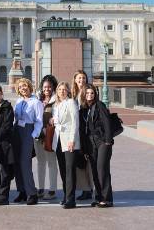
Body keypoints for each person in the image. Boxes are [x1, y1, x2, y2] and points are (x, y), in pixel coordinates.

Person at [81, 85, 114, 208]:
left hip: (102, 142)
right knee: (94, 171)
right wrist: (84, 148)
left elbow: (107, 123)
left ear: (95, 94)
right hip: (90, 143)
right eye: (87, 93)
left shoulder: (100, 105)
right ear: (84, 94)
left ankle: (107, 199)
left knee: (102, 170)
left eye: (92, 93)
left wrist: (108, 141)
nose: (90, 95)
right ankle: (98, 197)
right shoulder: (84, 108)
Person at [12, 77, 43, 205]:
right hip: (17, 131)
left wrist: (33, 135)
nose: (22, 88)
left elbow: (39, 121)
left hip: (27, 132)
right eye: (20, 87)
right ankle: (22, 191)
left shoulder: (36, 102)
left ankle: (32, 193)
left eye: (24, 86)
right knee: (17, 163)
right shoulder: (18, 101)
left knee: (25, 164)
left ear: (29, 86)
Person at [51, 81, 79, 209]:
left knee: (70, 170)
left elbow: (75, 122)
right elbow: (57, 122)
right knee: (63, 170)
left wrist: (72, 139)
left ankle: (71, 199)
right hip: (58, 141)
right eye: (59, 89)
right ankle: (65, 195)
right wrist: (53, 120)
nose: (62, 91)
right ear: (57, 92)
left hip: (68, 140)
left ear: (68, 91)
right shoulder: (57, 105)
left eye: (64, 89)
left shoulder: (71, 102)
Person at [71, 71, 94, 201]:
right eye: (79, 78)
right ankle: (85, 188)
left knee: (88, 161)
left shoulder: (89, 91)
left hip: (86, 132)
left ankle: (90, 188)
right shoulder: (73, 94)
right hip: (77, 131)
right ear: (75, 80)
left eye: (83, 78)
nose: (81, 80)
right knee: (79, 162)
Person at [36, 74, 58, 201]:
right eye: (45, 87)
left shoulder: (56, 100)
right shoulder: (38, 99)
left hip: (50, 135)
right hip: (38, 135)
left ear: (53, 87)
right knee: (40, 162)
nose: (47, 89)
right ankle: (40, 188)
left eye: (49, 87)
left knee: (51, 162)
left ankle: (52, 189)